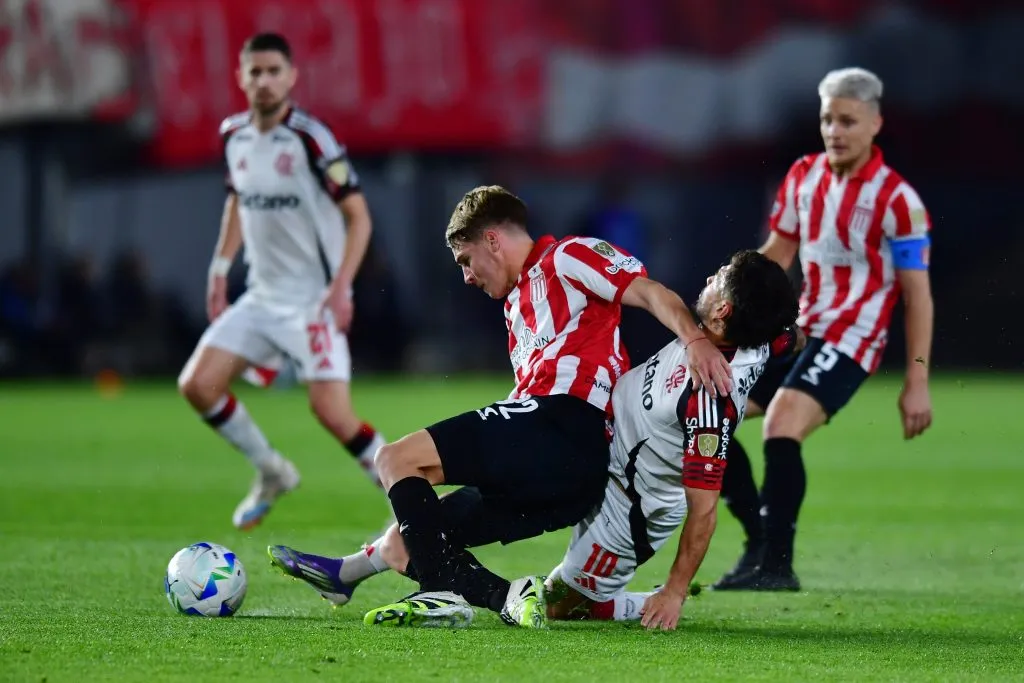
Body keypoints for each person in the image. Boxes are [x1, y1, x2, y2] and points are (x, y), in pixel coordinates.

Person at [266, 185, 734, 628]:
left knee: (396, 459)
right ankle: (371, 579)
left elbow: (649, 291)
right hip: (561, 475)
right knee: (409, 539)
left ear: (492, 240)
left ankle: (444, 594)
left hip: (566, 426)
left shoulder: (566, 257)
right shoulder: (516, 306)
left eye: (465, 261)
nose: (467, 276)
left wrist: (693, 338)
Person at [713, 67, 935, 591]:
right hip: (803, 328)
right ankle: (757, 546)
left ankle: (777, 567)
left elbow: (917, 295)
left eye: (847, 121)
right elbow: (778, 256)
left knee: (781, 423)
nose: (835, 131)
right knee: (712, 415)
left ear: (876, 123)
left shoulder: (899, 201)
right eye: (827, 119)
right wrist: (730, 292)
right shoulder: (803, 176)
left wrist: (918, 378)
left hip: (854, 339)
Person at [176, 33, 385, 531]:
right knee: (198, 385)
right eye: (256, 72)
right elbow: (237, 202)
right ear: (241, 78)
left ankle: (411, 502)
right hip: (262, 297)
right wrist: (219, 270)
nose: (265, 81)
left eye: (274, 71)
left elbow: (360, 217)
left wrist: (342, 288)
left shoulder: (312, 138)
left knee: (333, 414)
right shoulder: (233, 136)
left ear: (291, 76)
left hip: (313, 301)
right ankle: (272, 471)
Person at [538, 250, 800, 630]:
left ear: (723, 311)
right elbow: (790, 338)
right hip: (606, 447)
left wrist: (675, 590)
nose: (711, 276)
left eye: (719, 276)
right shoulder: (753, 339)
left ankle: (645, 603)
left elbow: (705, 510)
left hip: (626, 508)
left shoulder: (709, 400)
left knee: (557, 604)